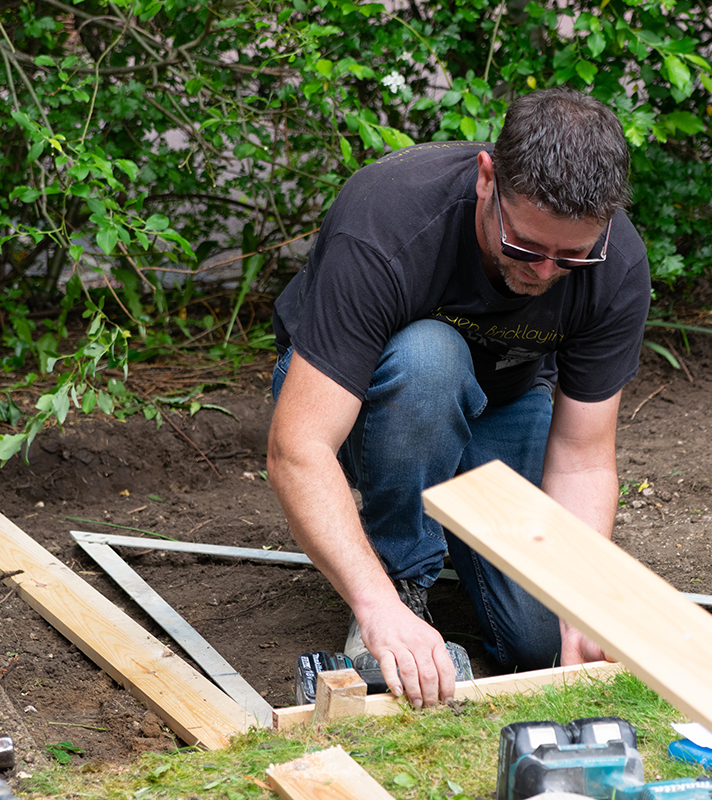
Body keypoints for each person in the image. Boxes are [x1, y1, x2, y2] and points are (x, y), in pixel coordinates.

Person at [267, 86, 651, 709]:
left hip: (503, 399)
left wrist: (587, 600)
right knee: (430, 358)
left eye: (571, 257)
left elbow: (583, 457)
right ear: (486, 179)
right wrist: (377, 608)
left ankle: (451, 542)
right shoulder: (387, 222)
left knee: (536, 638)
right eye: (527, 246)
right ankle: (399, 579)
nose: (546, 272)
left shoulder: (616, 266)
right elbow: (299, 447)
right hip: (374, 396)